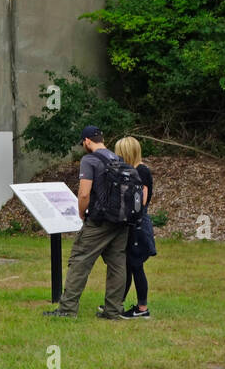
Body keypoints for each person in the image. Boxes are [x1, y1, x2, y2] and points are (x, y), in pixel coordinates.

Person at [43, 125, 130, 319]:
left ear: (88, 141)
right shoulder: (119, 159)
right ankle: (113, 310)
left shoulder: (89, 160)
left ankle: (66, 310)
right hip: (121, 220)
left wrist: (82, 213)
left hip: (99, 221)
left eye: (83, 143)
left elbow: (84, 193)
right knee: (117, 264)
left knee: (79, 261)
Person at [115, 136, 155, 318]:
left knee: (136, 265)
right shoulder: (129, 171)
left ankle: (142, 308)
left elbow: (141, 201)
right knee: (127, 266)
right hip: (130, 224)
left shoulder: (142, 171)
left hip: (139, 226)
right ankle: (117, 303)